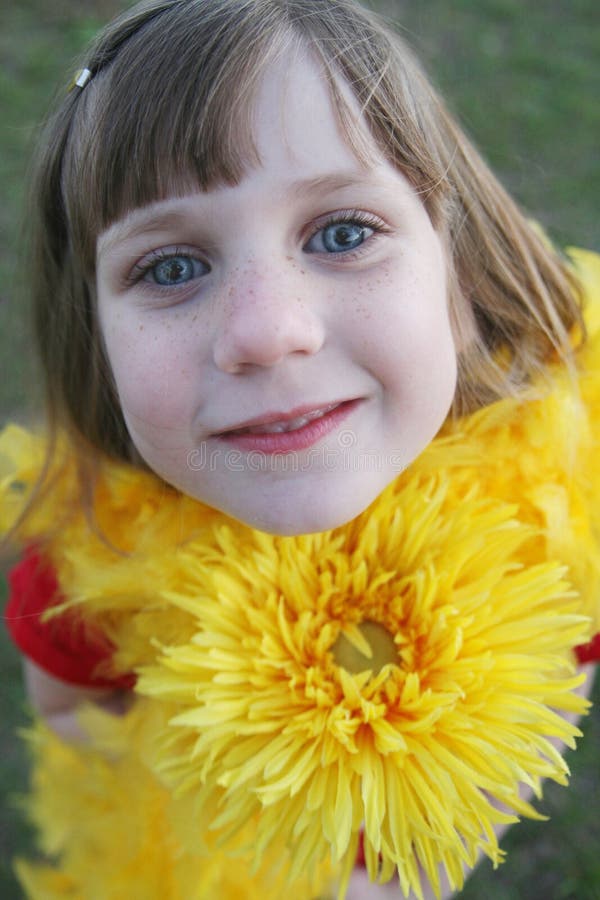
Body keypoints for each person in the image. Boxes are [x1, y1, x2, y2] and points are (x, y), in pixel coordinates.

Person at [1, 1, 598, 898]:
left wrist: (413, 873)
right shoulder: (86, 564)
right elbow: (69, 715)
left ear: (460, 276)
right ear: (96, 338)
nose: (267, 333)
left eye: (343, 233)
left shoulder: (558, 516)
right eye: (171, 267)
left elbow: (549, 697)